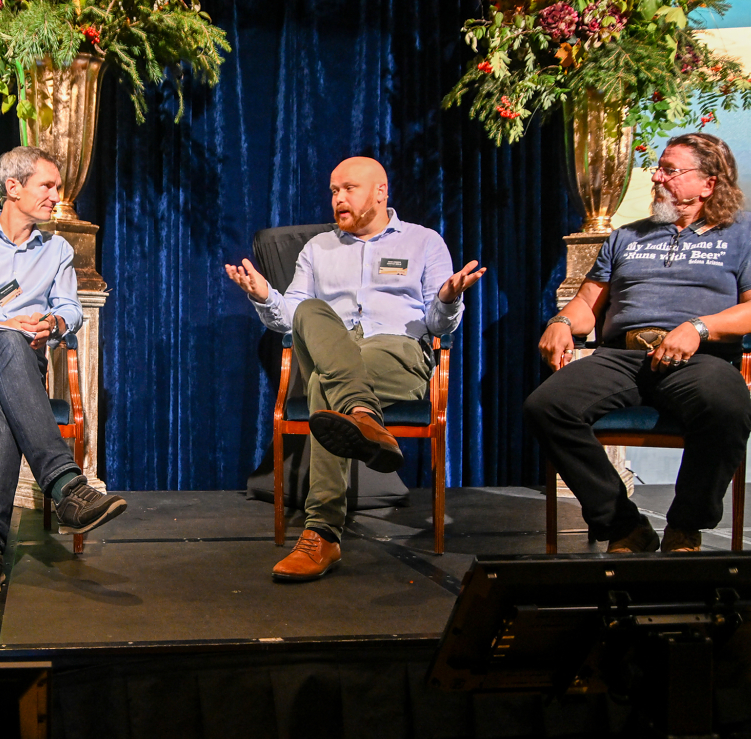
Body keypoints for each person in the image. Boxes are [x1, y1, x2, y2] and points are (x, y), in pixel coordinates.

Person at [225, 156, 484, 580]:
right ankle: (362, 415)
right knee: (308, 309)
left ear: (381, 193)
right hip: (333, 350)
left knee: (325, 390)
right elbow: (290, 318)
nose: (338, 199)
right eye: (333, 191)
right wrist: (265, 295)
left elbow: (438, 326)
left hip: (398, 354)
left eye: (349, 189)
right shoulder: (318, 249)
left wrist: (449, 299)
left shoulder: (424, 243)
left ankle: (322, 535)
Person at [525, 133, 751, 554]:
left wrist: (699, 327)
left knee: (727, 405)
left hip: (699, 358)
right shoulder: (626, 236)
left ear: (709, 183)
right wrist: (561, 321)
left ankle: (686, 526)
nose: (657, 176)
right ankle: (624, 525)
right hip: (622, 357)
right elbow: (587, 303)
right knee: (547, 407)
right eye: (659, 167)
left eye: (670, 170)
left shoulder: (742, 234)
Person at [0, 146, 126, 599]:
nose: (57, 196)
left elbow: (70, 309)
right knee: (6, 342)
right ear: (13, 188)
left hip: (14, 368)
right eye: (48, 186)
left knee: (2, 387)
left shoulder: (56, 250)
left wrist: (54, 324)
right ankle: (65, 484)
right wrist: (2, 324)